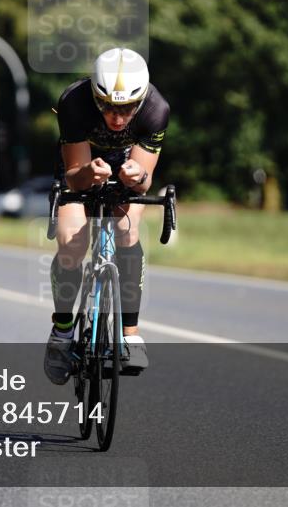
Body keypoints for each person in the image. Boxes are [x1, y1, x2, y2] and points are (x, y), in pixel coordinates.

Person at [45, 47, 169, 385]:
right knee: (72, 243)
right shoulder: (75, 102)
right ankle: (62, 332)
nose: (117, 118)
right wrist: (89, 172)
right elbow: (74, 177)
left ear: (140, 101)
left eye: (127, 108)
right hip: (81, 167)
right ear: (94, 97)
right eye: (108, 106)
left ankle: (130, 334)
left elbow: (144, 180)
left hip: (126, 168)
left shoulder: (156, 109)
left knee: (127, 232)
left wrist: (137, 176)